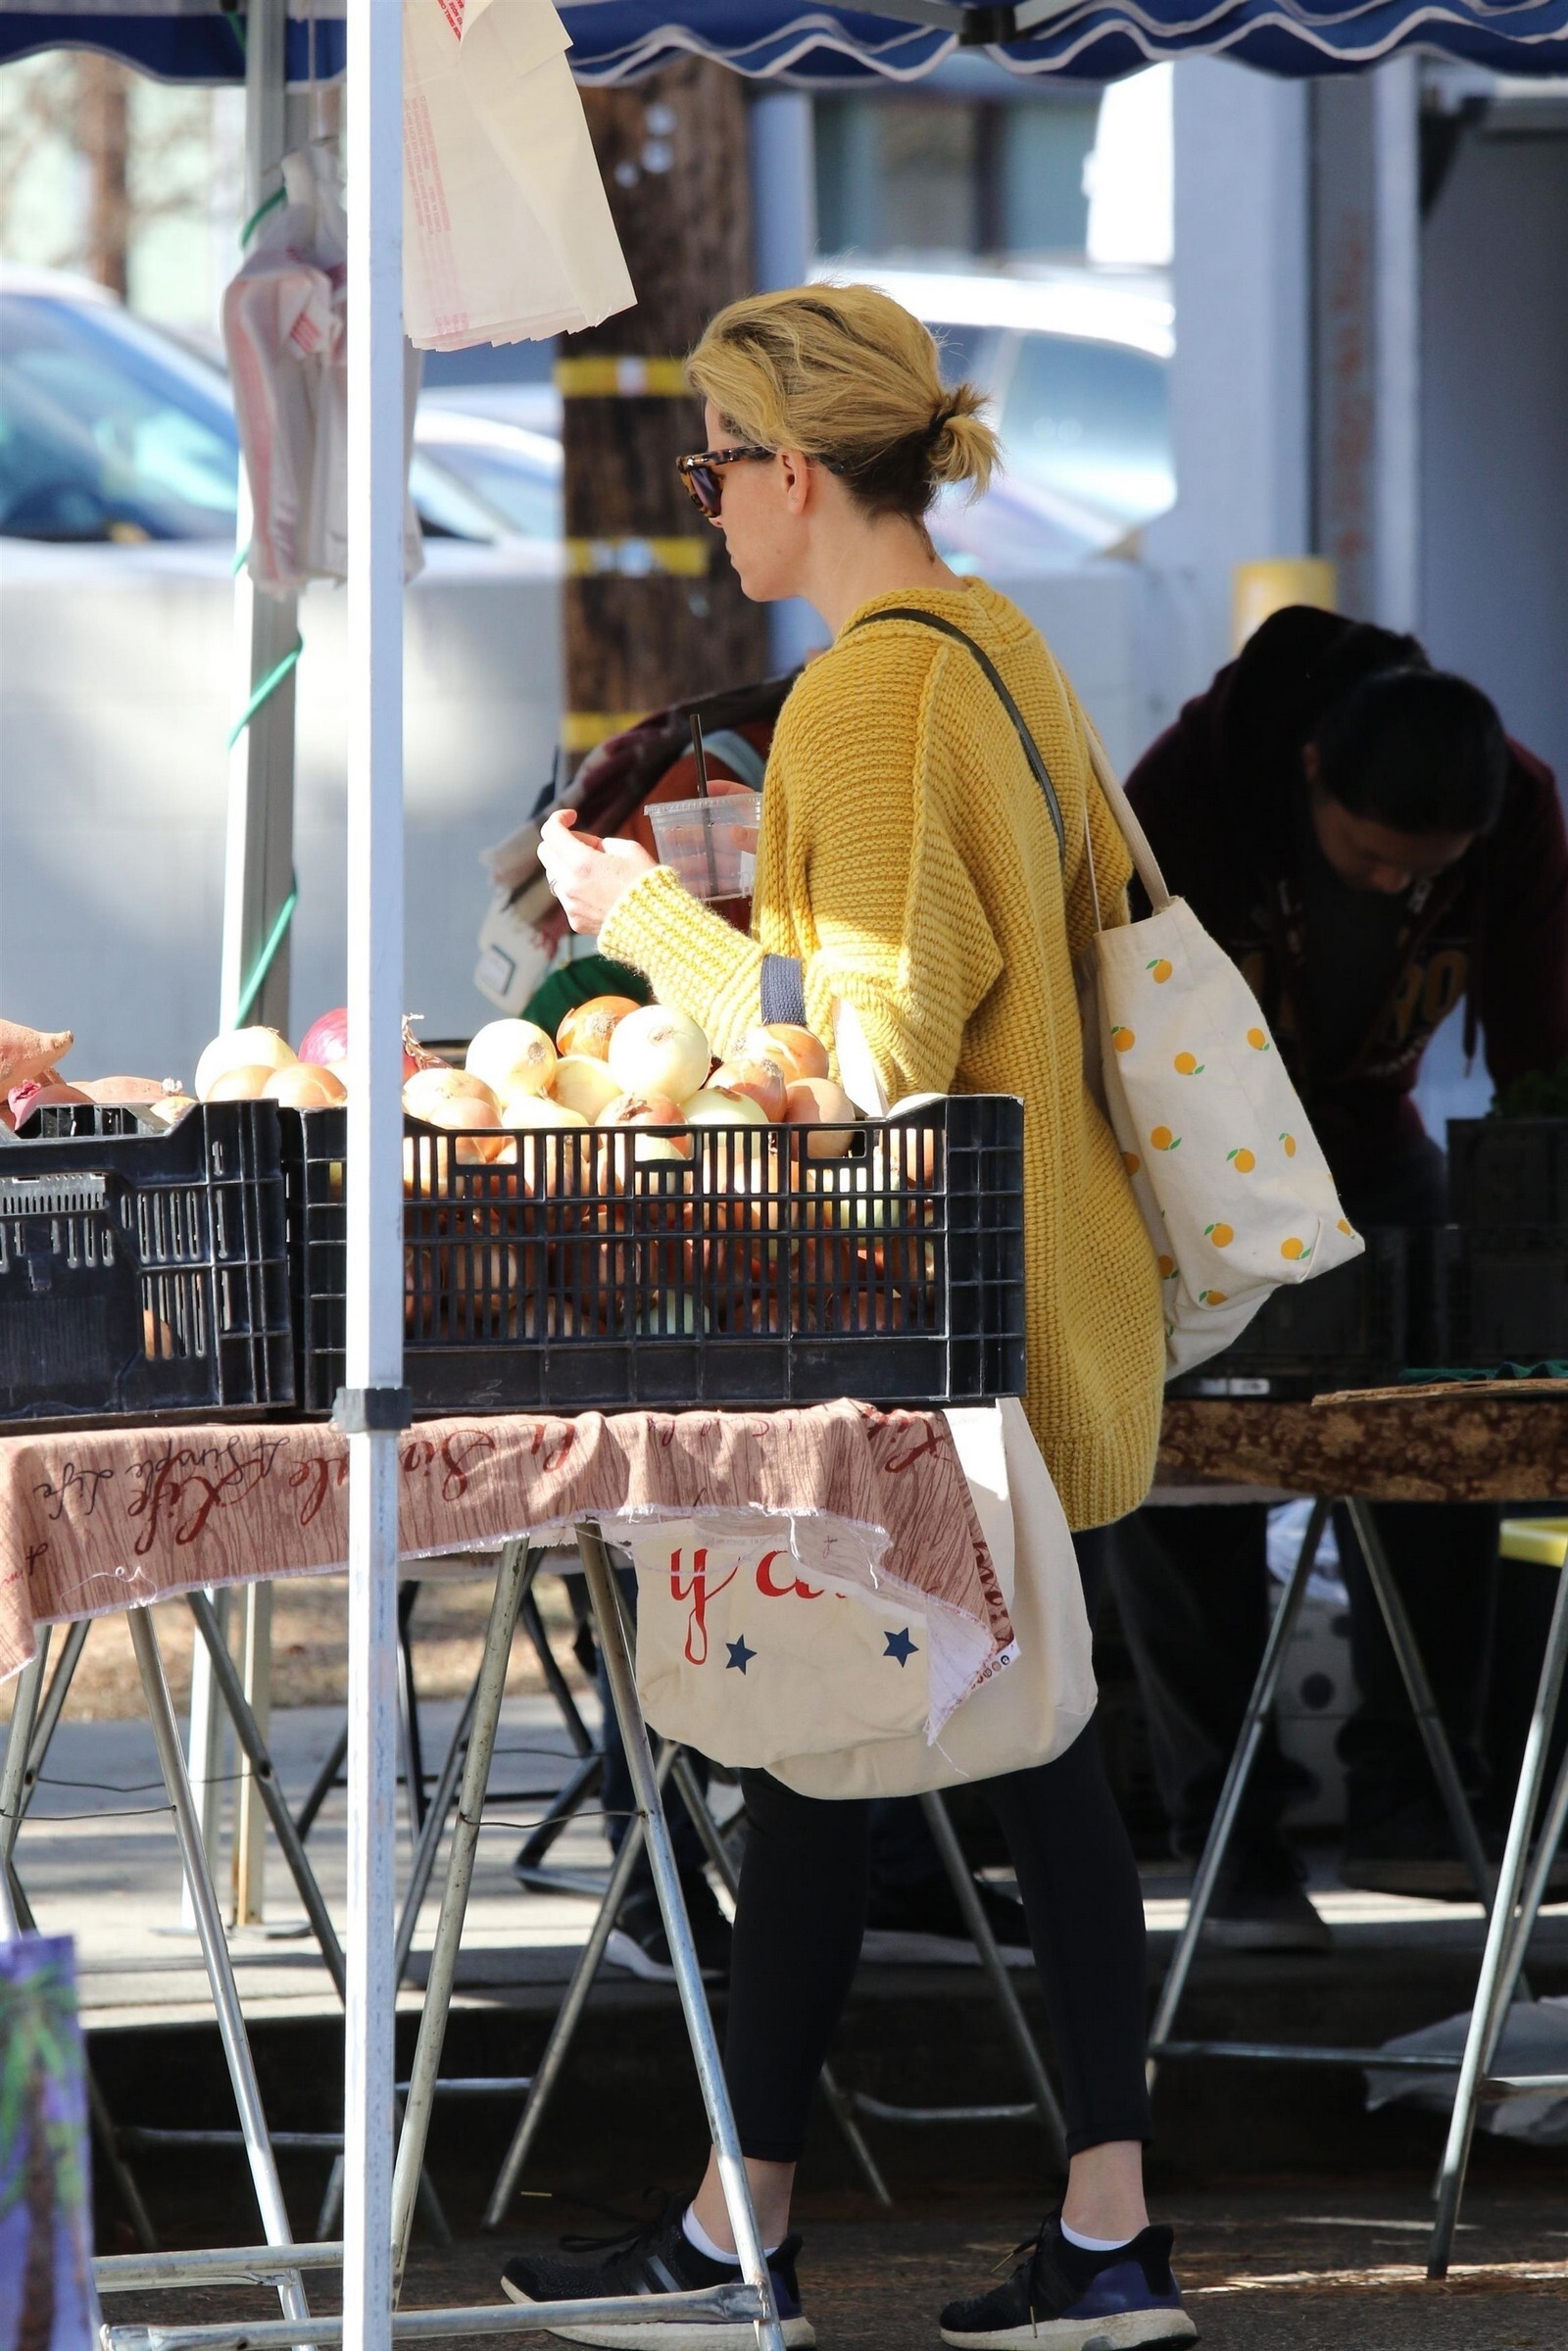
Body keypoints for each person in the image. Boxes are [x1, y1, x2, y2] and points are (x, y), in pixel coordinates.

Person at [500, 282, 1195, 2351]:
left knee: (893, 1742)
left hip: (936, 1313)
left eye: (712, 467)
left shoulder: (869, 700)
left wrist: (649, 928)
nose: (704, 503)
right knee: (887, 1745)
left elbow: (873, 1062)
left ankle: (971, 2238)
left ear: (795, 468)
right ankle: (817, 2227)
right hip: (1042, 1283)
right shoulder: (997, 643)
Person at [1109, 608, 1568, 1944]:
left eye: (1426, 877)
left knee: (1447, 1432)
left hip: (1372, 1148)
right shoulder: (1184, 799)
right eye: (1368, 859)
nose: (1393, 889)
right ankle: (1230, 1838)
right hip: (1187, 1163)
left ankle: (1417, 1799)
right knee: (1184, 1463)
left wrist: (1532, 1209)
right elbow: (1117, 1015)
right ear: (1311, 770)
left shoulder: (1517, 807)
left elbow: (1542, 1040)